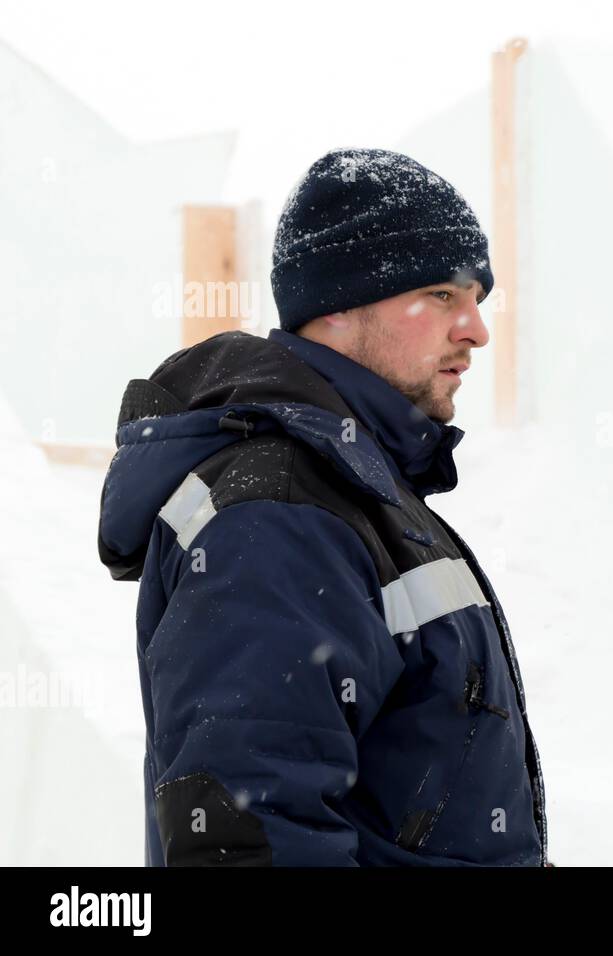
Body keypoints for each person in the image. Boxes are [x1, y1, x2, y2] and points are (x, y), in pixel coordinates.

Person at [97, 147, 550, 866]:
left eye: (478, 300)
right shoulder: (278, 517)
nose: (475, 329)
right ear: (337, 306)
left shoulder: (359, 495)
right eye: (441, 295)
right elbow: (252, 839)